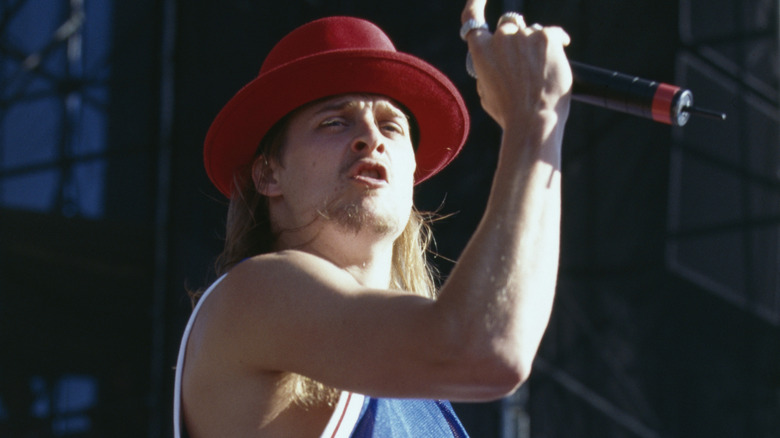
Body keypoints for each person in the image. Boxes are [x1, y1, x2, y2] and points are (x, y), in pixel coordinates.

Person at [173, 0, 572, 435]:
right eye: (334, 122)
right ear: (269, 173)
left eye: (391, 126)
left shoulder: (418, 378)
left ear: (412, 173)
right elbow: (489, 350)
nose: (370, 138)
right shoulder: (253, 296)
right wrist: (535, 116)